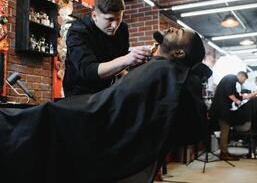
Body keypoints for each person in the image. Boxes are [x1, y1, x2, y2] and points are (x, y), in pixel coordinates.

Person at [0, 27, 211, 183]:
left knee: (28, 119)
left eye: (179, 33)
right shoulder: (161, 72)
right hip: (88, 111)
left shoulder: (162, 72)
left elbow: (108, 107)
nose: (173, 28)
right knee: (29, 114)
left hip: (87, 120)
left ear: (179, 53)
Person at [63, 0, 151, 97]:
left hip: (106, 92)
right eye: (109, 19)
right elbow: (89, 71)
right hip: (79, 95)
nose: (114, 25)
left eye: (118, 19)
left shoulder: (122, 29)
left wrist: (136, 70)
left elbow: (119, 66)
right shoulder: (78, 31)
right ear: (94, 16)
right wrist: (128, 59)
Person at [210, 71, 257, 161]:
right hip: (221, 110)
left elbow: (237, 95)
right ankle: (224, 153)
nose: (243, 82)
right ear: (242, 76)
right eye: (244, 79)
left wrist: (252, 95)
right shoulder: (231, 78)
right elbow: (230, 94)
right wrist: (237, 101)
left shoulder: (232, 81)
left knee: (226, 130)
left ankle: (224, 152)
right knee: (225, 130)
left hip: (222, 109)